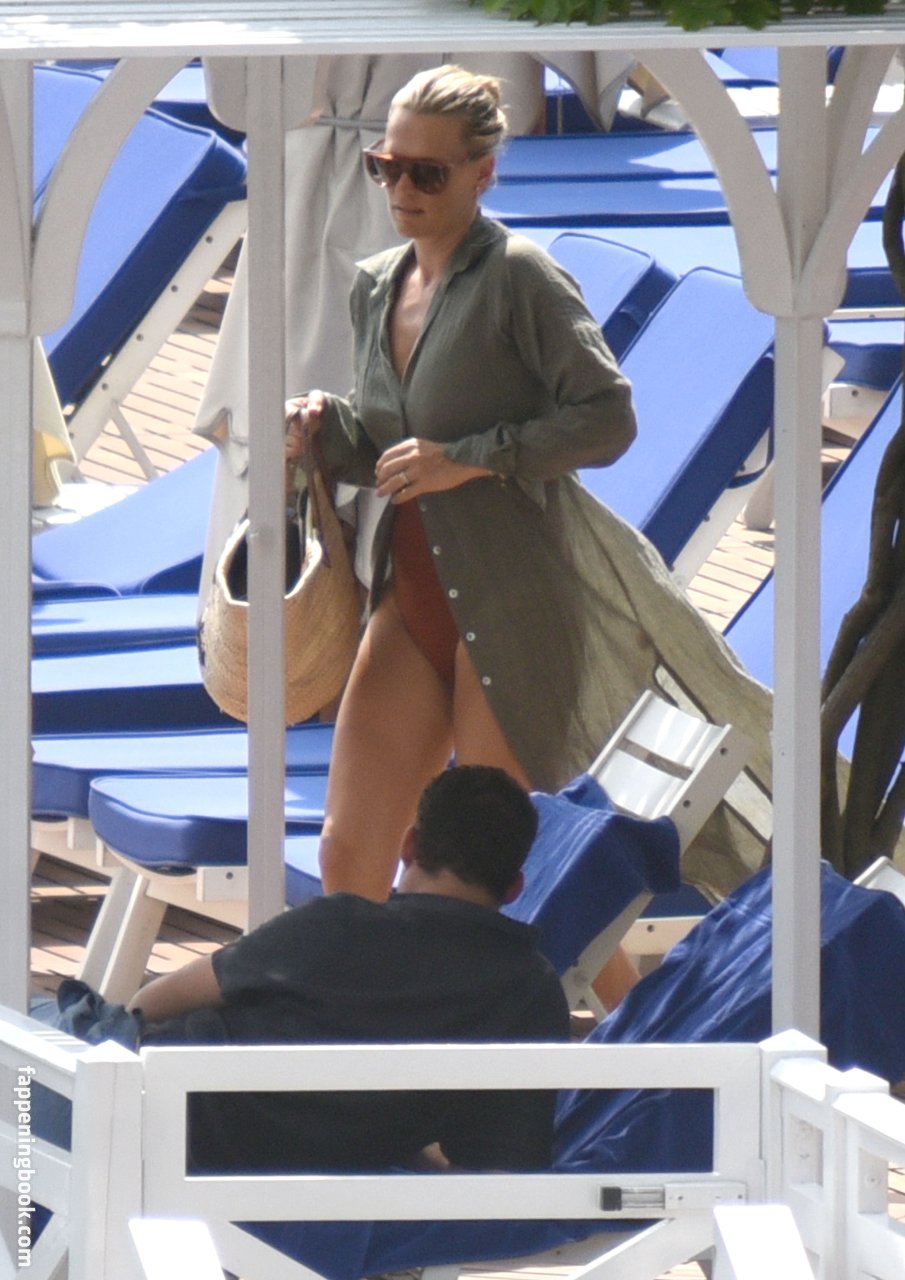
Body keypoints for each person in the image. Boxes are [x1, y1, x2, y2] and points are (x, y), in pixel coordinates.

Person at [285, 65, 639, 901]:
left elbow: (608, 418)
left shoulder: (521, 276)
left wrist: (473, 456)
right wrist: (323, 428)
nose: (400, 189)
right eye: (385, 166)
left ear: (482, 174)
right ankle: (342, 990)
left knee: (508, 878)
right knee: (346, 853)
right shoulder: (377, 283)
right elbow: (384, 441)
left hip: (512, 602)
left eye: (427, 173)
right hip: (410, 598)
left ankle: (609, 989)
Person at [106, 765, 569, 1173]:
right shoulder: (529, 993)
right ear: (514, 887)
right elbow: (499, 1169)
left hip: (154, 1125)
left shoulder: (336, 925)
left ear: (409, 845)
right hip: (291, 1175)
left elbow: (149, 1004)